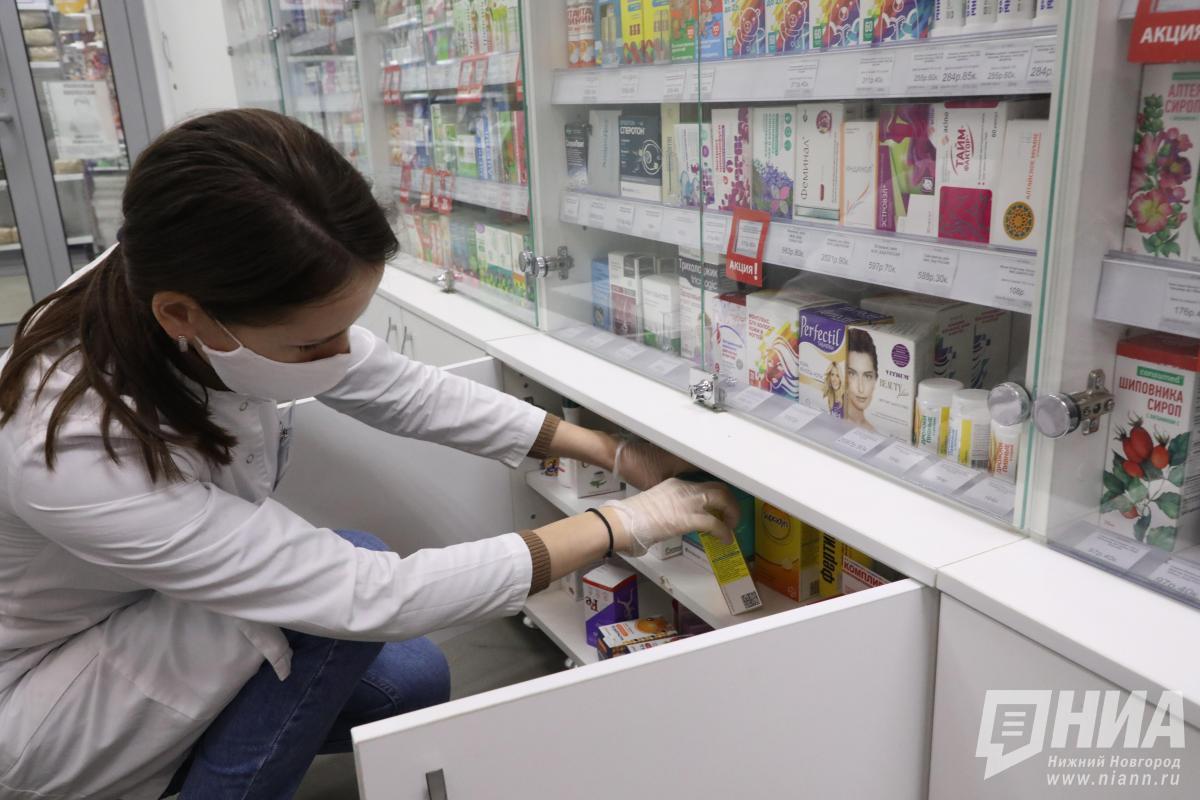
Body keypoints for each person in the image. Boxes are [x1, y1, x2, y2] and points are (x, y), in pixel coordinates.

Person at [0, 109, 738, 800]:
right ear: (182, 315)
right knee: (342, 590)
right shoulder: (69, 446)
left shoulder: (175, 272)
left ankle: (204, 744)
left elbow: (402, 389)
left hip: (143, 607)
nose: (338, 357)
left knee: (410, 682)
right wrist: (623, 523)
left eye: (344, 332)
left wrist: (614, 451)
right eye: (310, 346)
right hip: (42, 688)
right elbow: (369, 593)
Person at [844, 328, 879, 430]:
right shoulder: (833, 418)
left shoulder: (873, 431)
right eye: (852, 374)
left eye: (867, 376)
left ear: (875, 379)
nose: (861, 388)